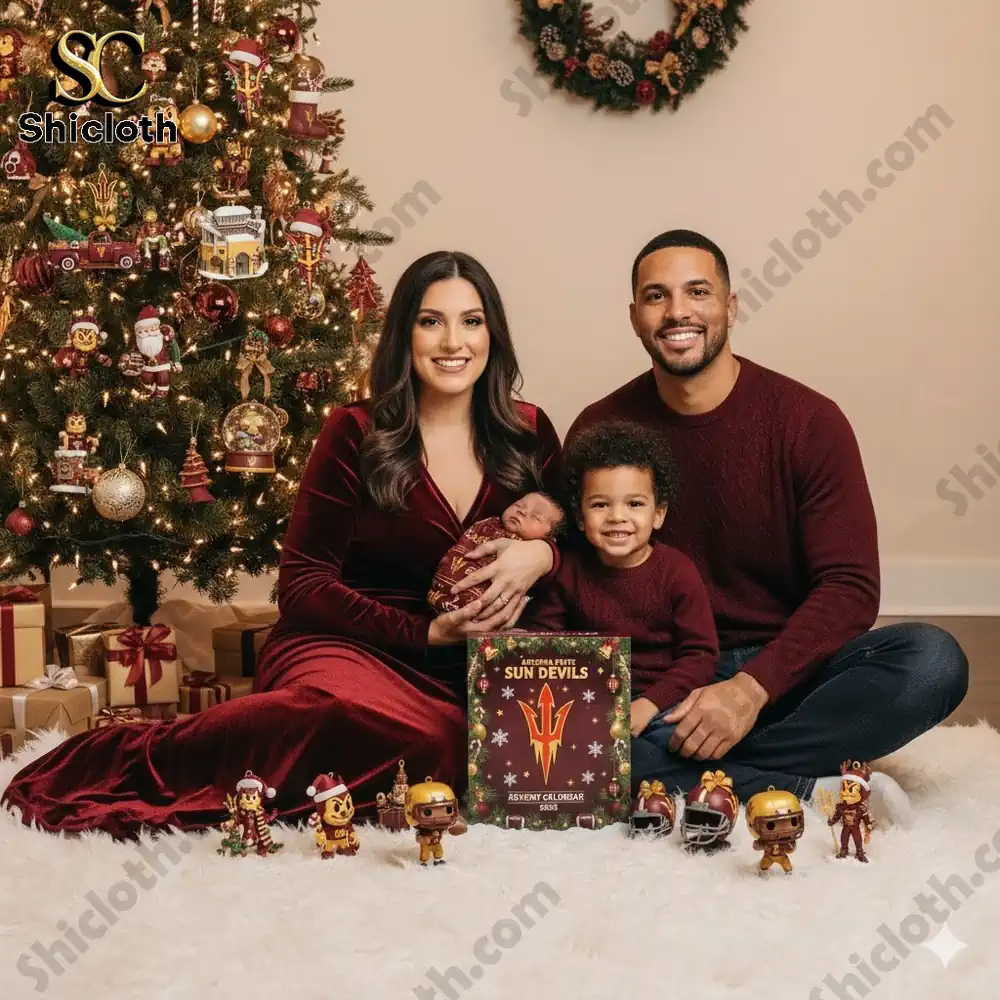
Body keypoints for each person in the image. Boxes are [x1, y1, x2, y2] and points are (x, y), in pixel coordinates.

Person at [2, 251, 562, 837]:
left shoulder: (528, 432)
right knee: (396, 732)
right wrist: (424, 632)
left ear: (493, 332)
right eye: (431, 321)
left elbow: (586, 547)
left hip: (475, 663)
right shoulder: (355, 431)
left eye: (471, 321)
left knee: (471, 747)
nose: (454, 341)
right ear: (404, 333)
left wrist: (543, 553)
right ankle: (134, 758)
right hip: (349, 645)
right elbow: (304, 586)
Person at [564, 229, 969, 825]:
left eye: (697, 291)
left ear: (730, 308)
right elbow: (576, 572)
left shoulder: (809, 422)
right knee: (564, 727)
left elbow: (850, 588)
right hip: (661, 676)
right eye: (656, 296)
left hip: (787, 675)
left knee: (932, 661)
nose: (678, 311)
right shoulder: (601, 429)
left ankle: (678, 771)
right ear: (634, 316)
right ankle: (795, 785)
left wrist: (750, 690)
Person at [523, 419, 720, 734]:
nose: (617, 516)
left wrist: (649, 705)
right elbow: (542, 639)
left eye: (634, 504)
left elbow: (700, 656)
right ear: (580, 518)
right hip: (590, 701)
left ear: (658, 514)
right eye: (600, 504)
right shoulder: (569, 571)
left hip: (661, 702)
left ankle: (804, 785)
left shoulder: (677, 572)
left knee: (673, 746)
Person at [428, 491, 565, 612]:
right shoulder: (489, 524)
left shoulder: (535, 558)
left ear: (551, 538)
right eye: (519, 505)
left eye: (536, 516)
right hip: (439, 592)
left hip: (484, 611)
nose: (522, 512)